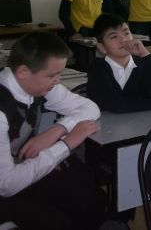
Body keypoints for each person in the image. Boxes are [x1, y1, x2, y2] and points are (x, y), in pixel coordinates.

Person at [0, 31, 106, 230]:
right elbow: (7, 185)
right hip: (6, 185)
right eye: (52, 75)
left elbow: (90, 108)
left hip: (22, 169)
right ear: (23, 71)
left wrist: (58, 129)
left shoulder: (36, 84)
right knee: (57, 221)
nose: (57, 81)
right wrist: (66, 144)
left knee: (92, 200)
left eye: (59, 74)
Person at [87, 13, 151, 113]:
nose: (123, 40)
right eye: (114, 36)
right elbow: (115, 105)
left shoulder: (144, 63)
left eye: (126, 33)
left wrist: (145, 54)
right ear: (102, 47)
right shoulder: (97, 67)